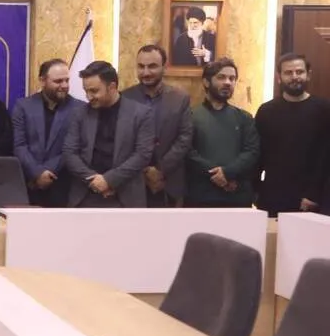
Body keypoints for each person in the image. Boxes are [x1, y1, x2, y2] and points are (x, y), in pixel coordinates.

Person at [61, 61, 154, 207]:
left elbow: (142, 155)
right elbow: (69, 152)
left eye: (94, 91)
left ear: (112, 87)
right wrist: (94, 180)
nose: (89, 97)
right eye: (86, 91)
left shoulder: (141, 114)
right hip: (86, 194)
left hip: (125, 197)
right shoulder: (79, 114)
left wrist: (109, 180)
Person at [254, 53, 330, 215]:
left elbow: (326, 157)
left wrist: (314, 194)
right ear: (279, 77)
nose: (294, 77)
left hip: (313, 199)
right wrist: (256, 190)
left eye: (299, 72)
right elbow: (258, 155)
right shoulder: (266, 111)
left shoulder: (325, 110)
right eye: (288, 73)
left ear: (308, 74)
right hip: (273, 196)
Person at [121, 45, 193, 207]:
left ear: (164, 67)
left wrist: (160, 170)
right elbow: (122, 141)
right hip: (134, 182)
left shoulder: (180, 98)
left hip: (169, 182)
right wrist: (144, 171)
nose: (146, 72)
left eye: (152, 66)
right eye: (141, 67)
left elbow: (184, 138)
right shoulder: (124, 98)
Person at [185, 58, 260, 208]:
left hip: (237, 194)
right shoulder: (189, 116)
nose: (227, 82)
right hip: (201, 196)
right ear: (206, 82)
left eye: (232, 79)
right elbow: (188, 152)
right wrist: (219, 176)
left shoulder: (244, 118)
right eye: (221, 77)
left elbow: (252, 152)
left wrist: (227, 173)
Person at [11, 58, 78, 207]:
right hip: (28, 185)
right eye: (58, 81)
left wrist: (47, 172)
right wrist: (37, 173)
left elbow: (73, 148)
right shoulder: (23, 106)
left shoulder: (79, 109)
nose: (64, 86)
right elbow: (19, 145)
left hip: (63, 186)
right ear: (42, 81)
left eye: (67, 80)